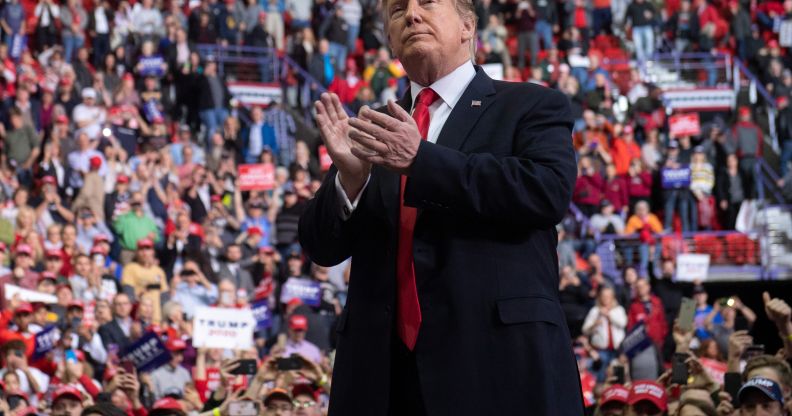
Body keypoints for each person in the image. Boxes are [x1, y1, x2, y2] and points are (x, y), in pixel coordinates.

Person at [300, 0, 581, 411]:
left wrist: (421, 160)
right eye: (397, 11)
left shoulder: (531, 105)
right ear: (392, 42)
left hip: (495, 369)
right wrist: (350, 178)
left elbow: (547, 192)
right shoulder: (376, 126)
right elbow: (321, 247)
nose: (411, 14)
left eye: (427, 3)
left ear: (468, 26)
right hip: (382, 379)